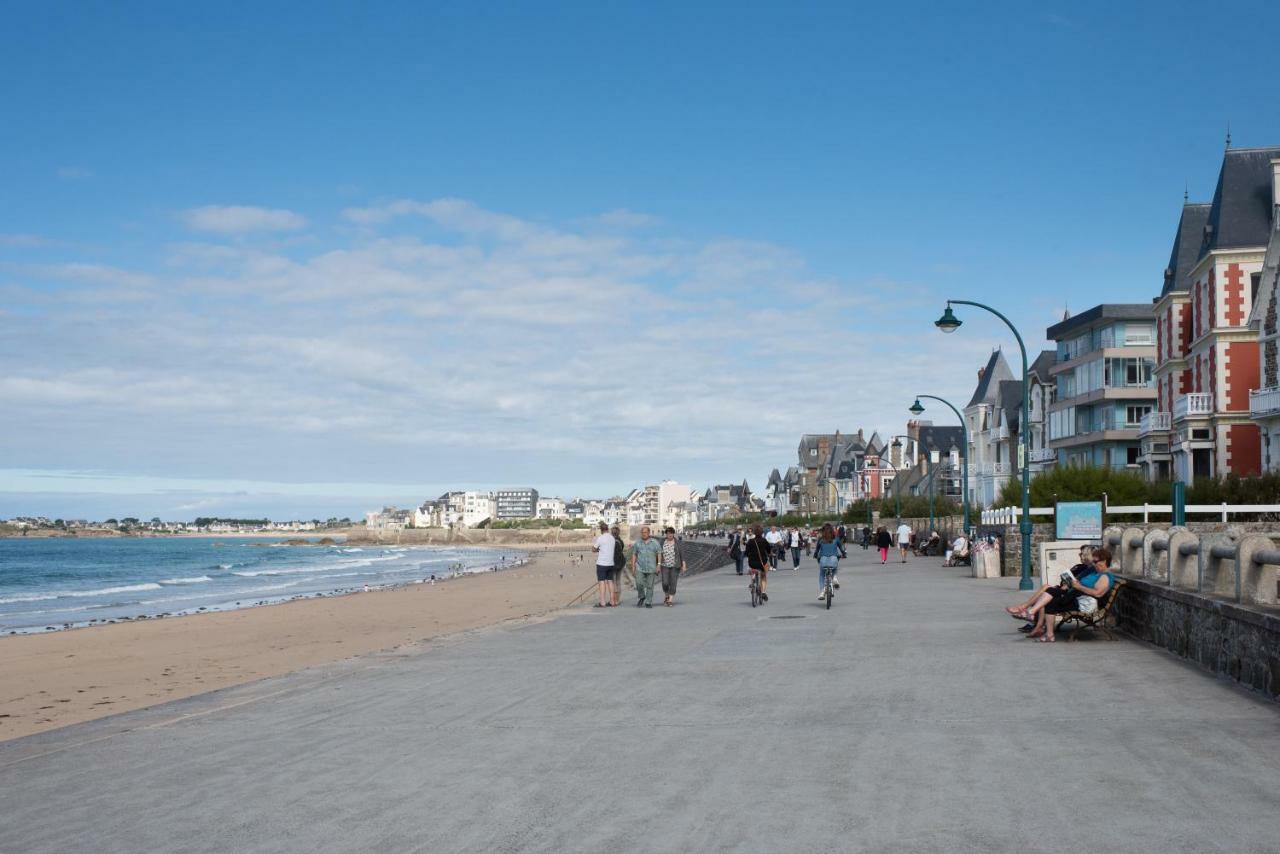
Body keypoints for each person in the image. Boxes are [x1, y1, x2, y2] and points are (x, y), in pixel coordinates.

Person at [1021, 547, 1115, 642]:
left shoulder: (1105, 576)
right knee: (1051, 595)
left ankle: (1034, 615)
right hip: (1077, 598)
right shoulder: (1095, 571)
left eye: (1095, 562)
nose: (1094, 564)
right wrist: (1072, 583)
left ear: (1104, 561)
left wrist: (1079, 587)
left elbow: (1097, 594)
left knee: (1051, 595)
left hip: (1084, 604)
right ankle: (1046, 631)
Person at [1004, 544, 1093, 628]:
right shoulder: (1080, 567)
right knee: (1046, 588)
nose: (1079, 555)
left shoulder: (1088, 570)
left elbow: (1080, 584)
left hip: (1071, 594)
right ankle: (1031, 617)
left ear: (1086, 555)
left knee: (1047, 592)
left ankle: (1028, 613)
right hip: (1067, 589)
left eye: (1081, 553)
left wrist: (1069, 584)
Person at [813, 523, 847, 601]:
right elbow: (841, 548)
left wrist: (815, 556)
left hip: (823, 560)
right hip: (833, 559)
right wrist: (844, 554)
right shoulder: (836, 538)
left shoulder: (821, 539)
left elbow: (817, 551)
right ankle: (834, 577)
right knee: (835, 564)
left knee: (822, 575)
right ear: (832, 530)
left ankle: (822, 592)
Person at [630, 526, 661, 608]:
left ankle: (648, 602)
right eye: (642, 532)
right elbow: (634, 554)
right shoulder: (638, 543)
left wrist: (658, 565)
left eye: (645, 532)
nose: (644, 534)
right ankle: (642, 596)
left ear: (649, 533)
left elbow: (659, 553)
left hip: (651, 567)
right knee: (639, 583)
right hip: (640, 567)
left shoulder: (655, 542)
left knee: (650, 585)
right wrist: (633, 566)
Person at [658, 527, 687, 606]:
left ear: (673, 534)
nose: (669, 535)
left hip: (675, 565)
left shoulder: (678, 543)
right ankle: (666, 595)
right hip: (664, 565)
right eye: (668, 533)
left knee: (673, 582)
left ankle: (670, 600)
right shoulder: (662, 542)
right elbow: (658, 553)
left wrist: (683, 565)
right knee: (665, 583)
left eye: (671, 533)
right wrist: (658, 564)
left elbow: (682, 554)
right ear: (666, 534)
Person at [592, 522, 616, 607]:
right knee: (610, 581)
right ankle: (612, 601)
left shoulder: (600, 538)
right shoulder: (612, 538)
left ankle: (602, 602)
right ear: (607, 529)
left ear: (601, 530)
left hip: (602, 563)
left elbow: (593, 549)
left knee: (601, 582)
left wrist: (598, 549)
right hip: (611, 563)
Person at [745, 523, 771, 602]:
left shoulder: (750, 541)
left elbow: (746, 552)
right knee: (763, 577)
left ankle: (753, 582)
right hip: (762, 563)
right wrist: (770, 554)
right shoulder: (764, 540)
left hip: (752, 562)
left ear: (754, 533)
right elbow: (769, 550)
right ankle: (763, 592)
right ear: (762, 532)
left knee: (753, 569)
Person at [610, 525, 626, 607]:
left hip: (613, 564)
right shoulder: (621, 541)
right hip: (621, 563)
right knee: (618, 581)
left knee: (613, 582)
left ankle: (614, 599)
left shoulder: (611, 542)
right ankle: (618, 599)